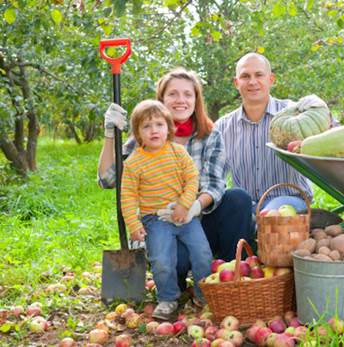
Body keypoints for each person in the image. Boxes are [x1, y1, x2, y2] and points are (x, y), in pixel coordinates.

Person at [98, 68, 254, 295]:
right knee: (174, 259)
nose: (181, 100)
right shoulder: (144, 140)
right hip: (162, 227)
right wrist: (110, 135)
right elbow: (107, 180)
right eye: (173, 94)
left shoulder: (210, 135)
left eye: (187, 94)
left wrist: (193, 207)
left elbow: (215, 184)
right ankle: (174, 282)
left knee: (238, 198)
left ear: (196, 100)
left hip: (200, 224)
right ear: (161, 100)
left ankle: (228, 282)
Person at [120, 100, 212, 320]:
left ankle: (205, 296)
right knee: (162, 259)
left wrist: (185, 204)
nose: (154, 130)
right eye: (146, 126)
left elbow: (192, 179)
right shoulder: (134, 163)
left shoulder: (178, 152)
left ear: (169, 128)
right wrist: (133, 224)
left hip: (184, 216)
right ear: (137, 133)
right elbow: (128, 196)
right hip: (155, 219)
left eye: (159, 125)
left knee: (202, 253)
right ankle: (168, 298)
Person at [215, 53, 325, 213]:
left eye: (259, 75)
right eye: (245, 76)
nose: (252, 82)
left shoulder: (296, 114)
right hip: (246, 206)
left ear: (271, 79)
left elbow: (326, 125)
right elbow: (216, 177)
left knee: (270, 216)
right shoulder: (223, 127)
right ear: (236, 82)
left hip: (289, 200)